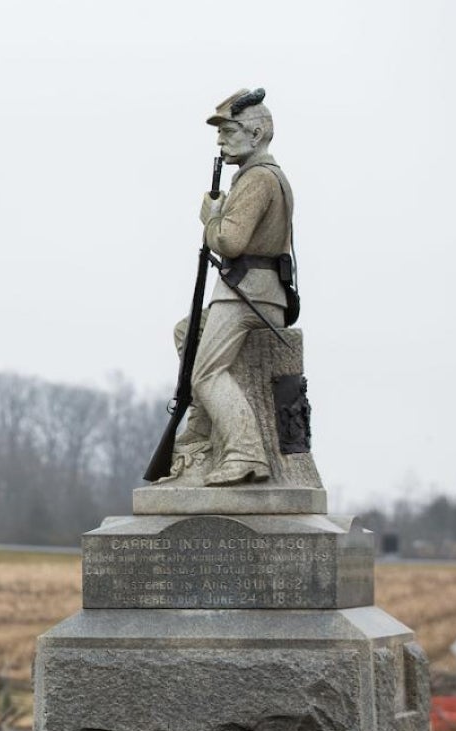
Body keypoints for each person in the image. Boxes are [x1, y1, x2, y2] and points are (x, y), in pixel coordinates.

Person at [168, 88, 294, 487]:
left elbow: (230, 242)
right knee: (188, 334)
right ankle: (198, 438)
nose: (221, 139)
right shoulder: (259, 176)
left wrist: (211, 218)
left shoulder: (257, 178)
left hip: (247, 296)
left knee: (206, 374)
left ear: (256, 135)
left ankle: (244, 453)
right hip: (252, 293)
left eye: (229, 130)